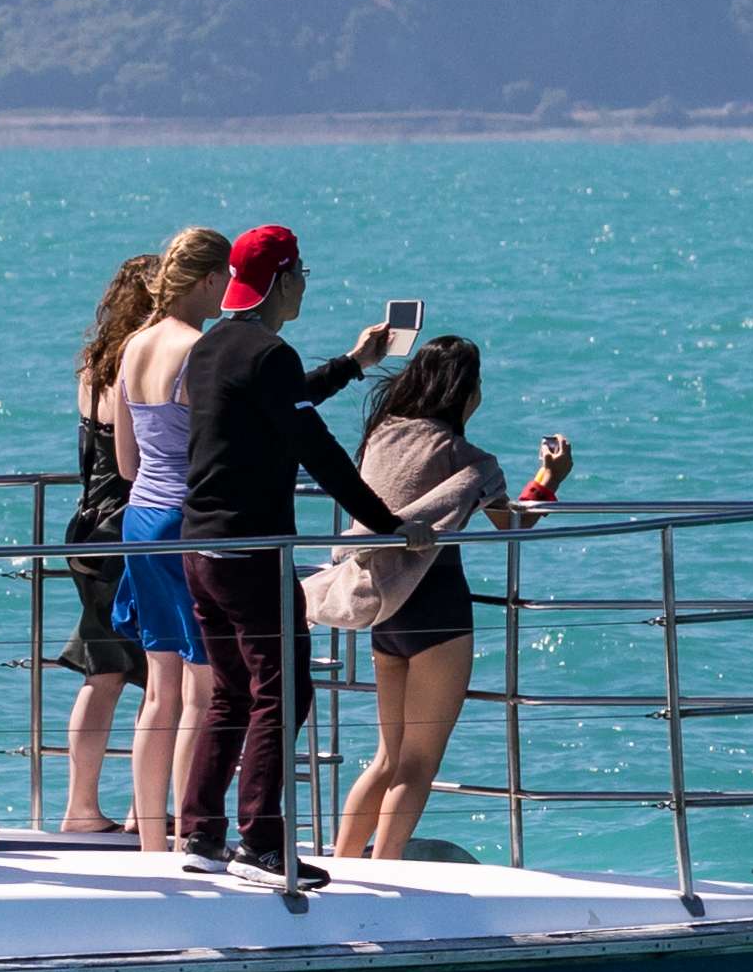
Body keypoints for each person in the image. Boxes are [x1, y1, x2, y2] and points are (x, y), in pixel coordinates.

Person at [166, 223, 400, 888]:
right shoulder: (269, 354)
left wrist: (353, 365)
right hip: (252, 551)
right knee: (282, 691)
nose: (303, 288)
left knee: (231, 694)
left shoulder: (210, 347)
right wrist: (386, 524)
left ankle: (202, 832)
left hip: (199, 547)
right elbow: (316, 448)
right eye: (301, 276)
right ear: (285, 280)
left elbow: (278, 403)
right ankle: (261, 843)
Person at [323, 337, 570, 866]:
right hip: (437, 608)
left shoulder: (381, 437)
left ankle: (342, 866)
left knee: (386, 760)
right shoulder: (468, 459)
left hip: (383, 608)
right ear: (466, 393)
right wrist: (549, 478)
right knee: (418, 764)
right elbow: (514, 525)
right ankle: (384, 871)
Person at [106, 228, 229, 851]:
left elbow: (126, 462)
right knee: (201, 692)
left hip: (140, 518)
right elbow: (212, 452)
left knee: (159, 689)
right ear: (206, 280)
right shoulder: (197, 349)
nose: (229, 290)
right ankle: (190, 833)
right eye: (225, 277)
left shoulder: (133, 347)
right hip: (187, 520)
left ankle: (152, 840)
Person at [50, 249, 176, 836]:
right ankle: (139, 808)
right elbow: (136, 462)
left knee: (102, 672)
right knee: (153, 675)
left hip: (86, 526)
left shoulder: (93, 363)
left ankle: (86, 805)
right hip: (125, 527)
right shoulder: (136, 363)